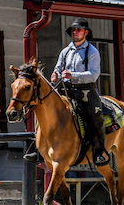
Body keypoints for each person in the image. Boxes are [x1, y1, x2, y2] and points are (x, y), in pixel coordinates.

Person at [24, 18, 107, 166]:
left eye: (78, 30)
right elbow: (58, 67)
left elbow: (94, 74)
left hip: (85, 90)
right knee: (43, 108)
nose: (75, 32)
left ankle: (98, 150)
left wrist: (73, 75)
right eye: (73, 30)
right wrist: (55, 74)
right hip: (65, 89)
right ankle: (39, 149)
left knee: (95, 114)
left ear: (86, 32)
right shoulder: (66, 51)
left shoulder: (92, 52)